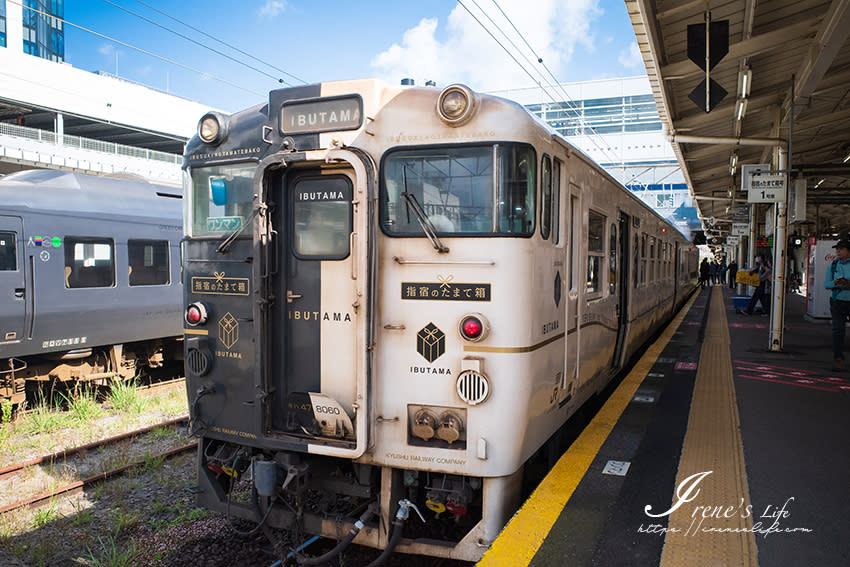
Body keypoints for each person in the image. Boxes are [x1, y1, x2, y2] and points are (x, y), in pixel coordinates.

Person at [825, 240, 850, 371]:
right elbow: (826, 284)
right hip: (837, 301)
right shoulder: (833, 266)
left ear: (848, 251)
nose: (838, 251)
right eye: (837, 249)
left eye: (841, 249)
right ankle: (838, 358)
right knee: (838, 330)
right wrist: (835, 283)